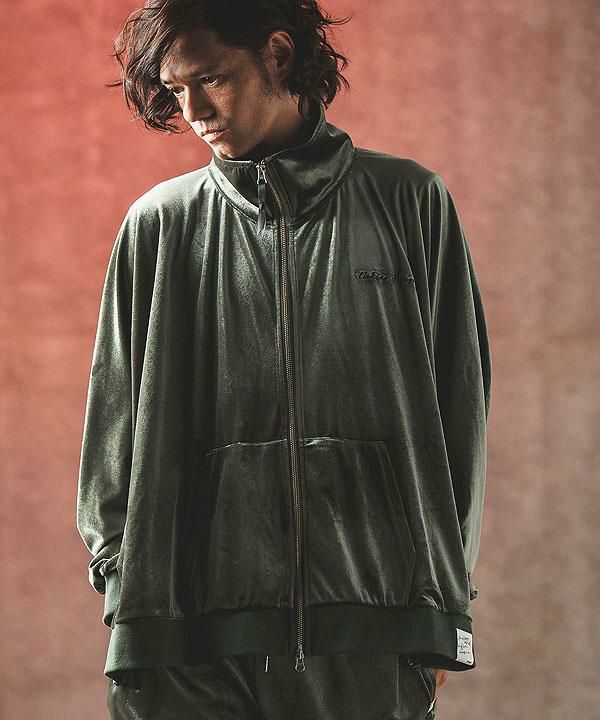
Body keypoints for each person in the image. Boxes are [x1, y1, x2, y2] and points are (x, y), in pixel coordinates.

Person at [75, 1, 492, 718]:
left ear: (276, 53)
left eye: (210, 78)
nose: (193, 111)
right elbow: (111, 436)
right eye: (176, 90)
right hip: (184, 644)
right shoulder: (159, 225)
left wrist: (440, 609)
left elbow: (461, 413)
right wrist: (127, 592)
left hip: (372, 632)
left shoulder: (407, 202)